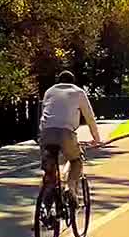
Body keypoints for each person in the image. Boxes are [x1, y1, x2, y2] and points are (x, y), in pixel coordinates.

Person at [38, 67, 101, 203]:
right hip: (66, 133)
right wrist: (96, 138)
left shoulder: (49, 91)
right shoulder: (78, 92)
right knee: (76, 160)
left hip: (46, 133)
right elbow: (89, 117)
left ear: (58, 81)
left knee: (50, 169)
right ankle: (70, 187)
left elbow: (44, 113)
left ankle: (47, 203)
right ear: (73, 82)